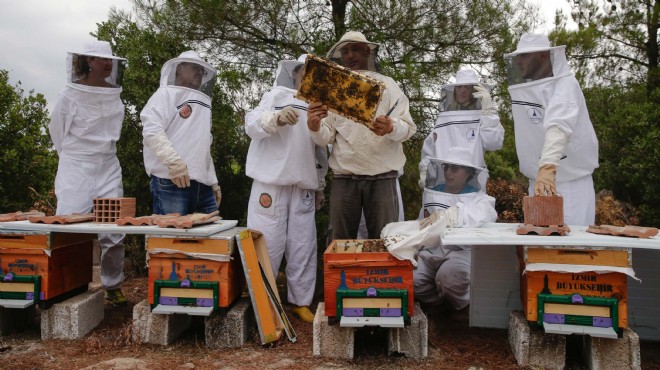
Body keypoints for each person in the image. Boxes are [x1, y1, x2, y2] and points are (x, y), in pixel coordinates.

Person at [307, 31, 417, 240]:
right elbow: (326, 137)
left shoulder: (389, 85)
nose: (350, 55)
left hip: (382, 178)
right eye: (345, 50)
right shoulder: (334, 88)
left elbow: (409, 129)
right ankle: (343, 276)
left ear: (367, 51)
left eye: (355, 49)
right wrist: (314, 126)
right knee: (340, 243)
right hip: (345, 179)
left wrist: (391, 127)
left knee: (386, 243)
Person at [244, 55, 327, 323]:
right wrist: (276, 119)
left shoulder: (319, 104)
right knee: (266, 243)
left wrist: (321, 184)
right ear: (295, 73)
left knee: (303, 245)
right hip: (270, 183)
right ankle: (263, 300)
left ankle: (300, 302)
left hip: (303, 185)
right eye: (305, 71)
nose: (308, 76)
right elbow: (251, 124)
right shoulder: (275, 95)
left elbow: (321, 150)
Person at [48, 40, 128, 306]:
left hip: (108, 165)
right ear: (89, 62)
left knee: (114, 228)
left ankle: (113, 286)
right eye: (102, 59)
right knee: (68, 229)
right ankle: (66, 286)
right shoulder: (68, 96)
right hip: (76, 167)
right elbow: (57, 133)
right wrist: (74, 161)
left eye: (110, 60)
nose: (108, 64)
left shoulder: (113, 94)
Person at [504, 33, 599, 226]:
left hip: (570, 188)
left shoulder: (565, 85)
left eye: (524, 56)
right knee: (540, 250)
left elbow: (558, 126)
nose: (519, 61)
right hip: (537, 185)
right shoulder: (531, 90)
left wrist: (547, 168)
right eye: (518, 56)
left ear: (542, 55)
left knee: (569, 252)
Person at [414, 147, 497, 312]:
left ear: (469, 173)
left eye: (455, 168)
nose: (448, 172)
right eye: (446, 167)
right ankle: (439, 305)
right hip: (429, 250)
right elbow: (421, 222)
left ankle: (463, 308)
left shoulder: (479, 199)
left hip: (460, 251)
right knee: (410, 280)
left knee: (451, 278)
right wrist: (414, 247)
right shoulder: (433, 193)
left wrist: (451, 216)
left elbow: (485, 214)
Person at [141, 51, 222, 215]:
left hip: (202, 185)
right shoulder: (163, 95)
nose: (199, 72)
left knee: (207, 239)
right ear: (179, 68)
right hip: (171, 182)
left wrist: (212, 181)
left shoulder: (203, 103)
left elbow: (204, 144)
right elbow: (152, 130)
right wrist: (174, 163)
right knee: (173, 238)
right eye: (194, 67)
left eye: (201, 70)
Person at [418, 68, 504, 191]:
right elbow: (431, 147)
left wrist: (488, 113)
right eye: (459, 87)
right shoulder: (444, 118)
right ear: (454, 91)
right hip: (441, 183)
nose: (463, 90)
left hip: (472, 183)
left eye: (467, 87)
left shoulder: (484, 117)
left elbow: (494, 143)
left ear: (474, 91)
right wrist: (425, 170)